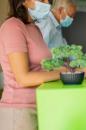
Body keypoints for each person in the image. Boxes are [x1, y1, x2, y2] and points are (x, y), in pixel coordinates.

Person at [0, 0, 68, 130]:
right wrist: (63, 73)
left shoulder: (34, 28)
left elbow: (41, 67)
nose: (46, 2)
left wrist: (71, 69)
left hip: (39, 106)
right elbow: (23, 78)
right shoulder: (12, 27)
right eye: (41, 0)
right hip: (19, 111)